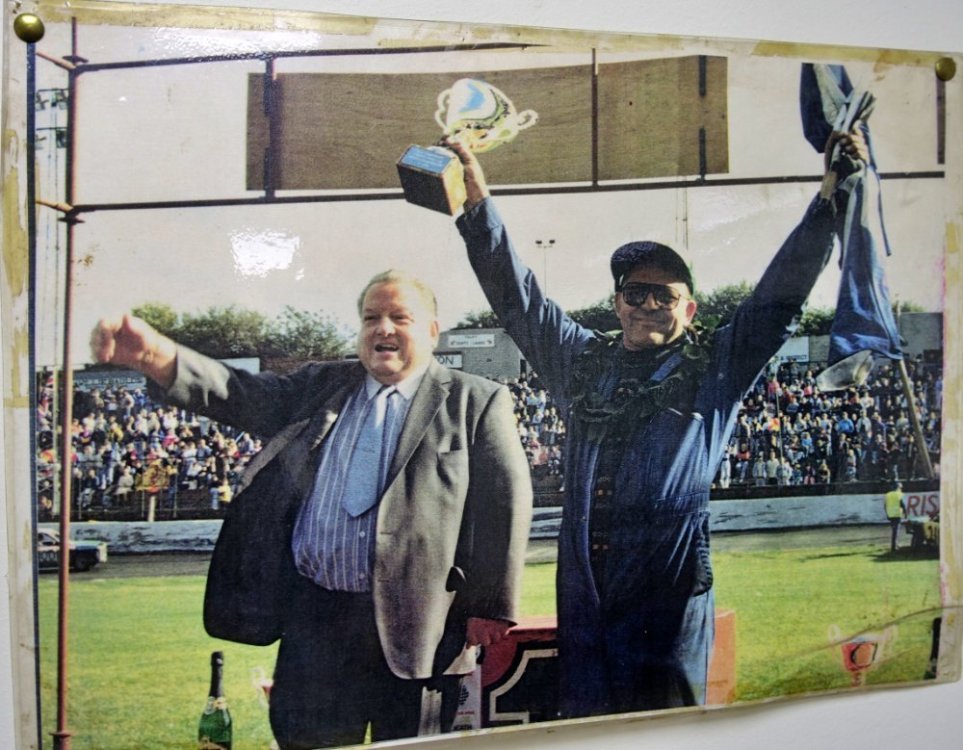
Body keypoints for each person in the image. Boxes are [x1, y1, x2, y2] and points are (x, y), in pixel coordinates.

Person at [446, 125, 868, 717]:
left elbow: (778, 300)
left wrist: (827, 203)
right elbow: (518, 298)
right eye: (635, 293)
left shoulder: (716, 368)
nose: (647, 305)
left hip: (668, 598)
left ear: (689, 309)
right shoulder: (579, 361)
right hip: (586, 596)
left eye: (663, 296)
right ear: (617, 302)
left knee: (667, 731)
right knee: (588, 731)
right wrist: (476, 208)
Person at [90, 269, 533, 749]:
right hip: (316, 623)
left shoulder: (475, 399)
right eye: (371, 318)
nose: (382, 328)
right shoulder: (321, 385)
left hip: (422, 627)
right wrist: (157, 356)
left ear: (431, 331)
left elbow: (504, 505)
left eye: (399, 317)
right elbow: (238, 392)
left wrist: (491, 606)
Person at [884, 480, 905, 552]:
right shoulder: (899, 494)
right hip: (897, 514)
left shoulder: (887, 494)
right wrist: (905, 512)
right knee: (896, 531)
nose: (901, 489)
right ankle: (894, 546)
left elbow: (885, 505)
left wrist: (887, 513)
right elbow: (902, 504)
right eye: (901, 488)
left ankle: (895, 544)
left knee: (894, 530)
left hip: (890, 514)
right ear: (898, 488)